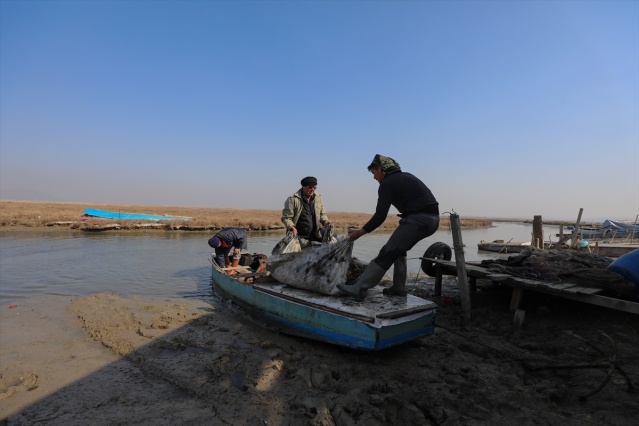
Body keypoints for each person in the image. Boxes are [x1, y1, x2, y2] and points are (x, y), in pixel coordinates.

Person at [337, 154, 439, 300]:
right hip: (432, 220)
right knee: (398, 250)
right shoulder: (407, 176)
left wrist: (360, 232)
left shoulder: (387, 183)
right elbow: (420, 201)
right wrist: (407, 216)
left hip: (419, 220)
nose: (374, 178)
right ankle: (398, 287)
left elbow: (380, 216)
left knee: (387, 251)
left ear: (381, 168)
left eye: (374, 173)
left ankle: (359, 288)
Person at [281, 176, 331, 244]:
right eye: (310, 187)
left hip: (315, 234)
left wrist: (325, 222)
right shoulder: (292, 199)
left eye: (314, 187)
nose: (312, 189)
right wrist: (292, 228)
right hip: (299, 236)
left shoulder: (318, 198)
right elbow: (286, 218)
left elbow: (322, 214)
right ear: (303, 187)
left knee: (332, 239)